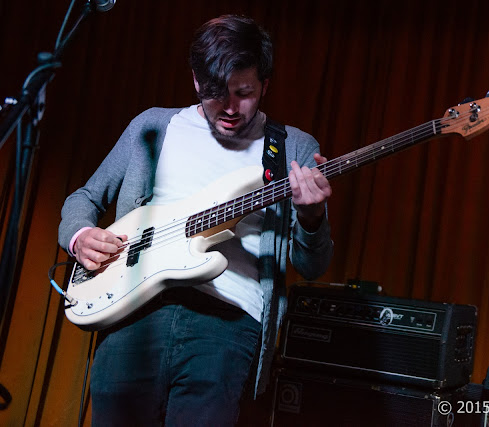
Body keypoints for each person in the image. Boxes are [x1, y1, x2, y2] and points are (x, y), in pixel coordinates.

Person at [58, 15, 333, 426]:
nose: (228, 108)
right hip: (136, 314)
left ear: (265, 85)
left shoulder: (292, 147)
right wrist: (80, 237)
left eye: (244, 93)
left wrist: (311, 217)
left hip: (227, 322)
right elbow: (85, 198)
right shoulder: (153, 127)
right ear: (194, 79)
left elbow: (311, 267)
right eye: (214, 93)